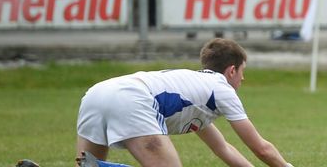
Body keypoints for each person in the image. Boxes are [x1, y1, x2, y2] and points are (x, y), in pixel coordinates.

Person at [75, 38, 294, 167]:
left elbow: (223, 149)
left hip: (96, 93)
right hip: (131, 97)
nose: (243, 79)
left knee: (88, 164)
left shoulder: (196, 91)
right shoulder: (221, 88)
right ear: (232, 70)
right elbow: (261, 148)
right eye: (242, 72)